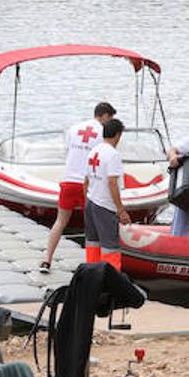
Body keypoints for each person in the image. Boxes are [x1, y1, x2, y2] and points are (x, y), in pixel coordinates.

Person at [41, 101, 116, 273]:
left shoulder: (74, 128)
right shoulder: (103, 133)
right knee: (92, 227)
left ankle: (47, 260)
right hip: (87, 184)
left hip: (68, 181)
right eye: (110, 118)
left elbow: (68, 152)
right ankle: (93, 267)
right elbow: (103, 157)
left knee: (60, 222)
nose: (110, 122)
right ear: (104, 115)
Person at [82, 118, 131, 268]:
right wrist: (121, 210)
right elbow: (112, 183)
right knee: (111, 248)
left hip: (91, 202)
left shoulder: (94, 151)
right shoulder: (113, 155)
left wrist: (87, 201)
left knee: (92, 243)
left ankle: (91, 275)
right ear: (117, 135)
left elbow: (86, 181)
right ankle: (112, 282)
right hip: (105, 206)